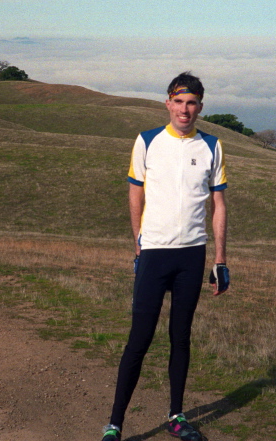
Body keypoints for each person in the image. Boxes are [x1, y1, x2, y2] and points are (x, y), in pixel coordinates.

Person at [101, 72, 230, 441]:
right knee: (138, 340)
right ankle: (115, 424)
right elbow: (134, 193)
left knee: (181, 337)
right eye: (179, 101)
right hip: (155, 253)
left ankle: (176, 415)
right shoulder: (147, 141)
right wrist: (138, 243)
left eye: (192, 103)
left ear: (200, 107)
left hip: (192, 254)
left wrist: (220, 260)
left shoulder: (212, 145)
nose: (184, 109)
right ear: (167, 103)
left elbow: (218, 204)